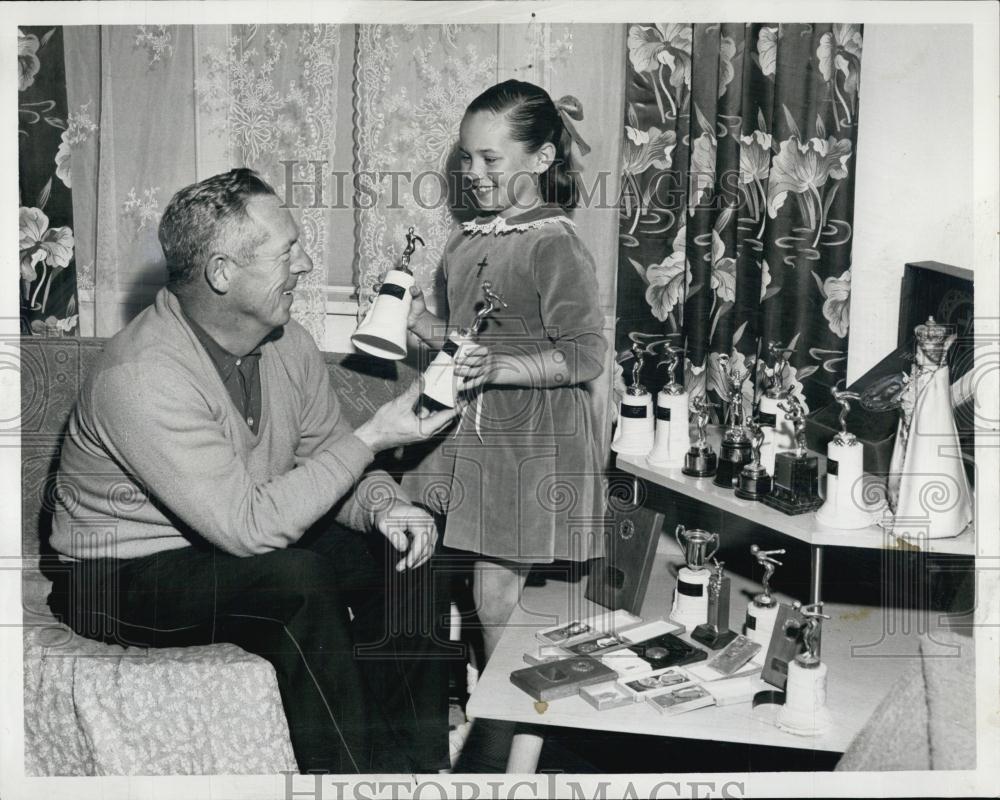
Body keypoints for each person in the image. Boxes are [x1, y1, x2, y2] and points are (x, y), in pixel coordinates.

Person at [47, 168, 457, 774]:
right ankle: (347, 782)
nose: (306, 263)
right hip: (116, 573)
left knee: (413, 545)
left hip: (225, 537)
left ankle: (412, 772)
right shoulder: (141, 376)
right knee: (297, 582)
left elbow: (324, 450)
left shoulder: (285, 341)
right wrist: (374, 436)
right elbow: (248, 529)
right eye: (287, 251)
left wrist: (384, 506)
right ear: (221, 273)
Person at [404, 79, 608, 662]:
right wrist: (421, 323)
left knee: (492, 596)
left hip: (527, 440)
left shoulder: (554, 244)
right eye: (467, 157)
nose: (473, 172)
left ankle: (499, 713)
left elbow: (586, 353)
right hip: (469, 434)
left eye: (490, 159)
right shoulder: (465, 242)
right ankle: (495, 698)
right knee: (476, 592)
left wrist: (500, 366)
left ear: (541, 159)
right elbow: (467, 345)